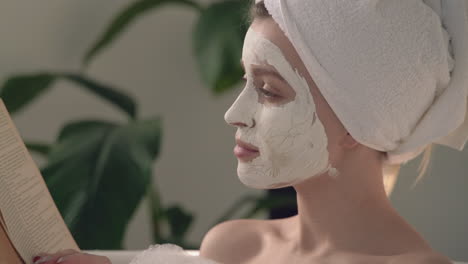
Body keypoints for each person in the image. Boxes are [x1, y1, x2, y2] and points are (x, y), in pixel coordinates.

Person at [32, 0, 468, 263]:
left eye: (269, 91)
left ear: (359, 124)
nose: (234, 114)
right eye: (247, 82)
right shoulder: (234, 248)